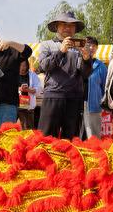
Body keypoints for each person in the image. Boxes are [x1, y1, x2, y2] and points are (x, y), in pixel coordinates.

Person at [38, 11, 92, 139]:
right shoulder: (47, 45)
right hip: (53, 95)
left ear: (75, 28)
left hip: (74, 98)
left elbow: (86, 74)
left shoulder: (81, 47)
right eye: (63, 24)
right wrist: (61, 51)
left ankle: (68, 160)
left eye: (71, 25)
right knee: (46, 137)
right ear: (57, 26)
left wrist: (86, 59)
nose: (68, 28)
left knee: (71, 138)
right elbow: (44, 66)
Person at [82, 36, 108, 139]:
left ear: (97, 48)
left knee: (93, 135)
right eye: (88, 45)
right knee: (79, 134)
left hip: (94, 104)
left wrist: (102, 102)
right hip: (78, 103)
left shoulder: (101, 66)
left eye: (94, 46)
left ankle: (95, 153)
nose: (91, 48)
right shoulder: (79, 62)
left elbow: (105, 86)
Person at [17, 59, 41, 129]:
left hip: (27, 106)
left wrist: (28, 89)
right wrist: (20, 89)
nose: (22, 68)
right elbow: (9, 87)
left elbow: (38, 89)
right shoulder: (13, 74)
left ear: (27, 66)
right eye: (20, 65)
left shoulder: (32, 75)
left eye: (24, 65)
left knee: (28, 128)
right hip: (15, 104)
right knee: (12, 127)